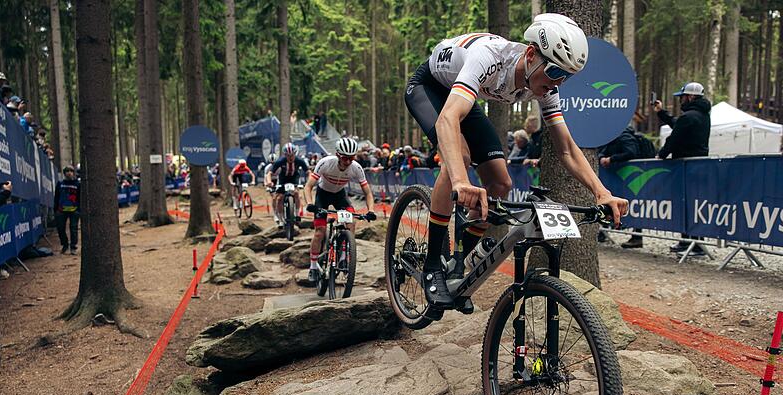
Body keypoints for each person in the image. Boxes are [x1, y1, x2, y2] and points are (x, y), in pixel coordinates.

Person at [403, 13, 628, 313]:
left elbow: (567, 149)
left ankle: (456, 263)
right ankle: (432, 265)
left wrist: (601, 192)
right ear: (532, 54)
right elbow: (447, 118)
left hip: (464, 95)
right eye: (555, 72)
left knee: (501, 184)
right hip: (429, 88)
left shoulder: (545, 83)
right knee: (460, 158)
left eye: (566, 77)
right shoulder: (489, 57)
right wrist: (460, 180)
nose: (557, 83)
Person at [304, 138, 377, 283]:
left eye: (351, 158)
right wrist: (309, 203)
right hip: (322, 195)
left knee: (351, 222)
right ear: (338, 155)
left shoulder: (356, 168)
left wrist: (371, 210)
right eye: (345, 158)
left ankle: (344, 256)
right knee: (319, 231)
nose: (348, 161)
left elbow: (368, 193)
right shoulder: (325, 163)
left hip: (340, 196)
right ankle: (312, 266)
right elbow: (308, 186)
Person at [654, 82, 711, 256]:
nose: (681, 101)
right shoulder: (701, 116)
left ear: (691, 97)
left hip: (687, 169)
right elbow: (676, 123)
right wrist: (661, 112)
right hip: (697, 167)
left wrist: (660, 156)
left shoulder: (689, 117)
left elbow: (674, 139)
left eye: (682, 97)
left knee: (687, 206)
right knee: (692, 205)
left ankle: (693, 243)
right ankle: (690, 241)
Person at [265, 143, 310, 227]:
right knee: (279, 198)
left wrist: (309, 181)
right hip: (283, 179)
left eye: (292, 155)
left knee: (296, 194)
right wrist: (269, 182)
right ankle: (281, 218)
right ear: (285, 155)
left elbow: (308, 172)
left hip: (294, 178)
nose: (290, 158)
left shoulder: (299, 161)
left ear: (295, 154)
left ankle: (296, 214)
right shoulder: (280, 161)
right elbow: (269, 173)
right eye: (288, 155)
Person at [54, 166, 80, 255]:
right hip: (61, 210)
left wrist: (79, 210)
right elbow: (56, 197)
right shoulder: (60, 184)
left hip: (74, 210)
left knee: (73, 228)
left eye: (71, 171)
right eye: (67, 171)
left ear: (73, 173)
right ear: (64, 173)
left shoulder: (78, 184)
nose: (69, 173)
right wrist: (56, 209)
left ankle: (73, 247)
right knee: (61, 228)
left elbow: (80, 198)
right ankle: (65, 245)